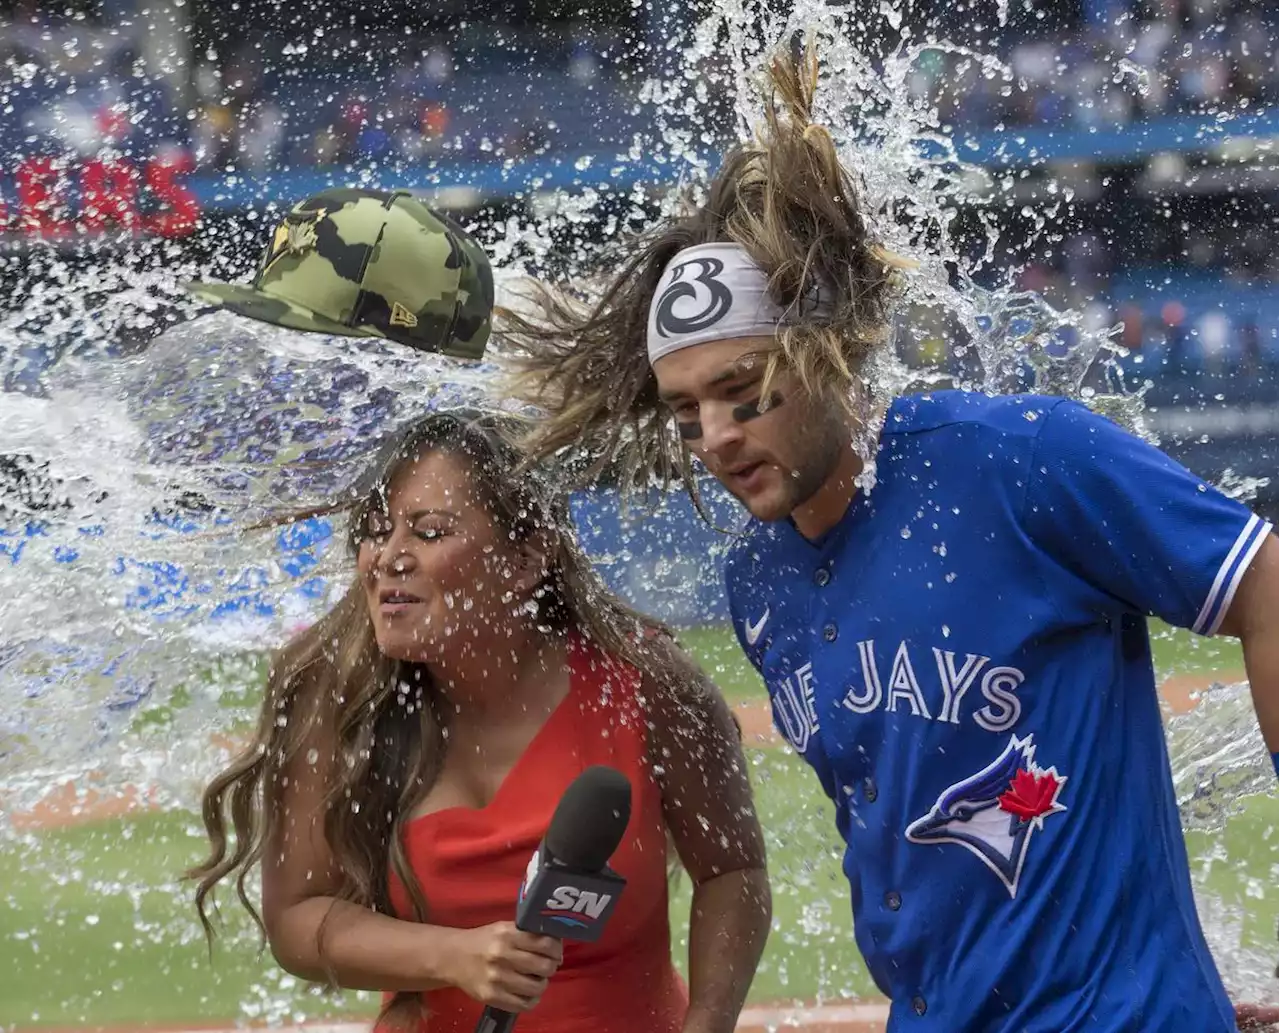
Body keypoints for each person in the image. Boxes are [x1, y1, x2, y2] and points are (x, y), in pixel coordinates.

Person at [497, 41, 1280, 1033]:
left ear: (823, 347)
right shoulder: (758, 580)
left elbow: (1263, 579)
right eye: (686, 410)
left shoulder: (1015, 462)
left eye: (744, 391)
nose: (717, 438)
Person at [187, 408, 771, 1033]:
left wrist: (709, 1023)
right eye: (376, 532)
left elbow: (731, 871)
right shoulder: (336, 701)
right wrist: (453, 955)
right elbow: (297, 920)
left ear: (524, 559)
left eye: (429, 532)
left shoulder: (649, 683)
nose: (389, 558)